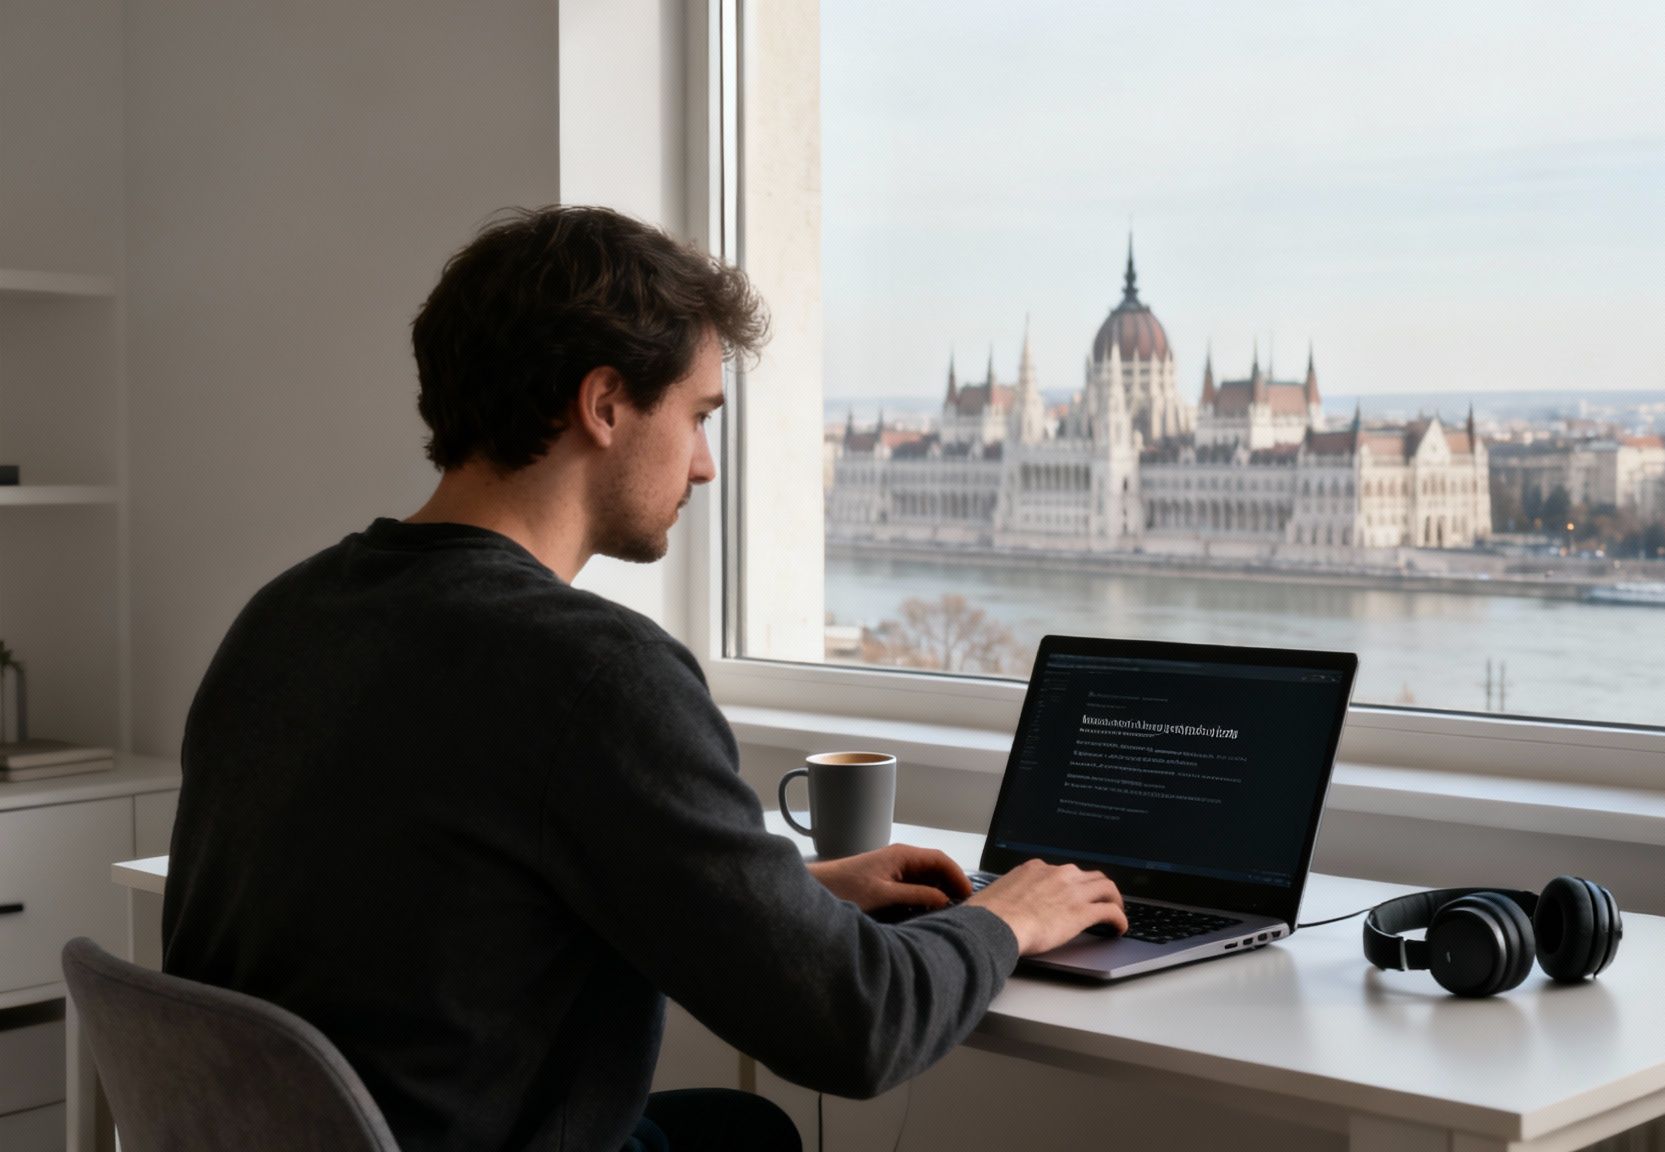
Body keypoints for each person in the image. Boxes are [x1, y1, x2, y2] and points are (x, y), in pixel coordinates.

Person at [161, 206, 1128, 1152]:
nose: (706, 467)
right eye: (699, 417)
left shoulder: (283, 616)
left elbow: (447, 890)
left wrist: (786, 892)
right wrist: (1007, 919)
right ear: (606, 404)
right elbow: (859, 1029)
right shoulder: (597, 674)